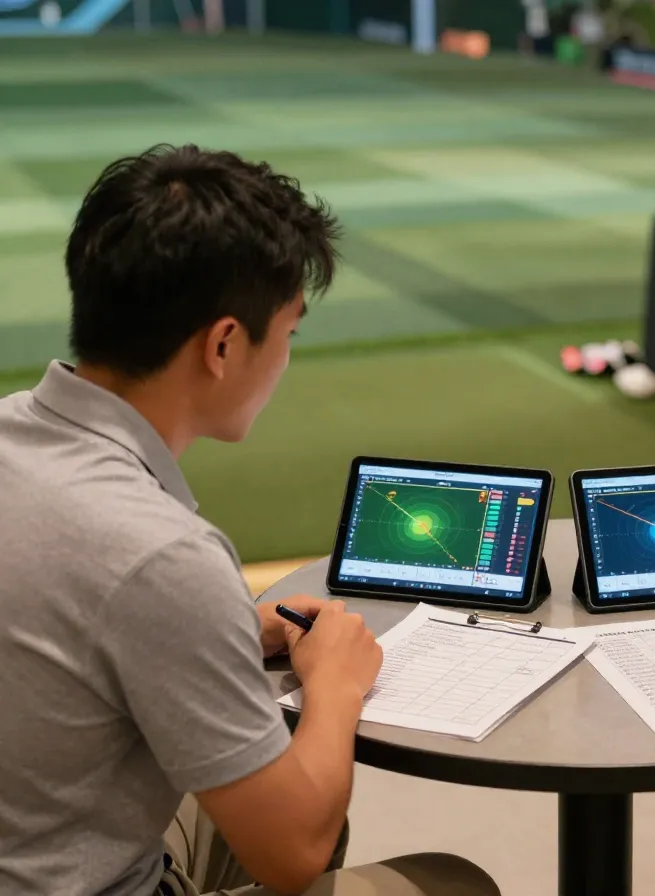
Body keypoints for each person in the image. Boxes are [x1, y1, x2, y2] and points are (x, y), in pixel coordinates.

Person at [0, 145, 499, 896]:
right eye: (289, 333)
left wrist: (222, 629)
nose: (286, 356)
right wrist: (335, 683)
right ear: (225, 343)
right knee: (447, 880)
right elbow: (293, 853)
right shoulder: (164, 557)